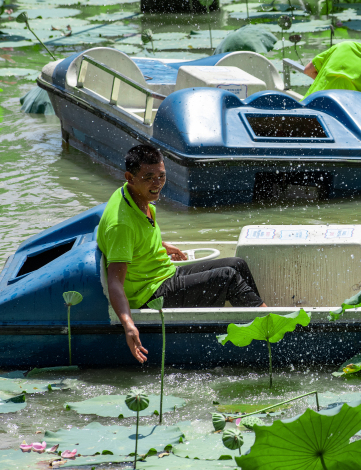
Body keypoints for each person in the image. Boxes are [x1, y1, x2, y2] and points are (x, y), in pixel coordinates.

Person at [98, 144, 266, 364]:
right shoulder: (121, 225)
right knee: (227, 277)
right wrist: (129, 325)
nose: (157, 184)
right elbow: (115, 282)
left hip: (163, 274)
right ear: (130, 177)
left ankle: (258, 323)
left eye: (161, 176)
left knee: (236, 264)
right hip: (150, 295)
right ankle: (268, 329)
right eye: (149, 177)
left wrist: (162, 245)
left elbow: (137, 236)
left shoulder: (136, 195)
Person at [302, 13, 361, 108]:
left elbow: (308, 70)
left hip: (303, 110)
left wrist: (331, 86)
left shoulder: (343, 46)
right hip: (326, 122)